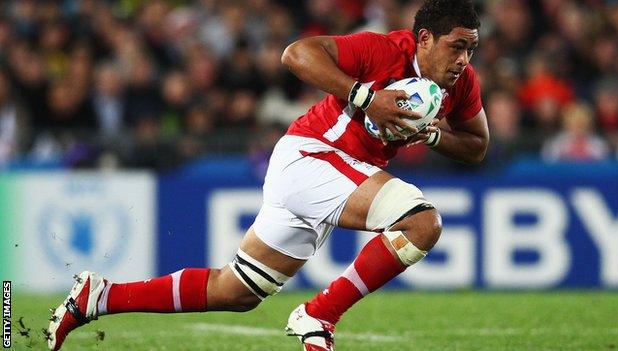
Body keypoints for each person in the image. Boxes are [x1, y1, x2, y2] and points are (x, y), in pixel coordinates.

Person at [46, 1, 488, 350]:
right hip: (311, 157)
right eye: (456, 46)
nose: (463, 59)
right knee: (421, 222)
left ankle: (98, 296)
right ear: (425, 38)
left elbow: (476, 145)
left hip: (335, 175)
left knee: (236, 291)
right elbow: (296, 53)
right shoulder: (384, 51)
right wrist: (364, 97)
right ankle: (320, 315)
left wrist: (430, 136)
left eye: (471, 48)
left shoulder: (462, 83)